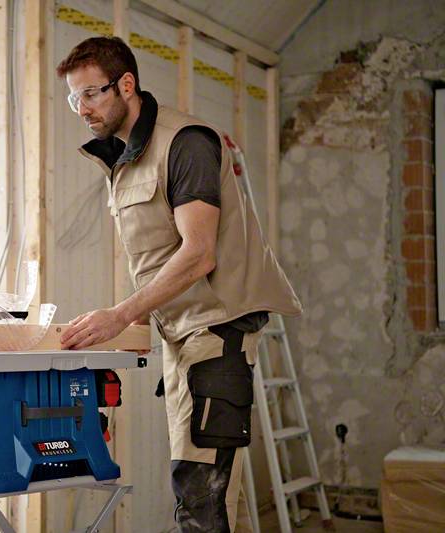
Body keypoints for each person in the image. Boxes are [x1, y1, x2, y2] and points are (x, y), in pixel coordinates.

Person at [56, 36, 302, 532]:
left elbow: (198, 251)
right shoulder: (125, 157)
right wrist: (137, 318)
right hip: (184, 334)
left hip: (217, 334)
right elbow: (157, 253)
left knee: (201, 500)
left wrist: (121, 313)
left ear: (127, 84)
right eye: (73, 97)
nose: (81, 109)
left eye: (92, 94)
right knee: (200, 494)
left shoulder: (186, 142)